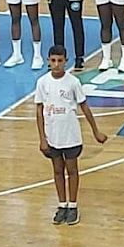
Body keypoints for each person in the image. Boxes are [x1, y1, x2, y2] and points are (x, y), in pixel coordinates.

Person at [35, 45, 108, 226]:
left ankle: (73, 205)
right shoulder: (42, 82)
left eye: (60, 61)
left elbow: (84, 107)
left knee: (72, 170)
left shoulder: (73, 82)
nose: (57, 64)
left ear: (66, 61)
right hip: (52, 135)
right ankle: (62, 205)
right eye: (53, 61)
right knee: (57, 170)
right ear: (48, 61)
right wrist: (42, 138)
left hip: (70, 135)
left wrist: (95, 131)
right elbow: (39, 109)